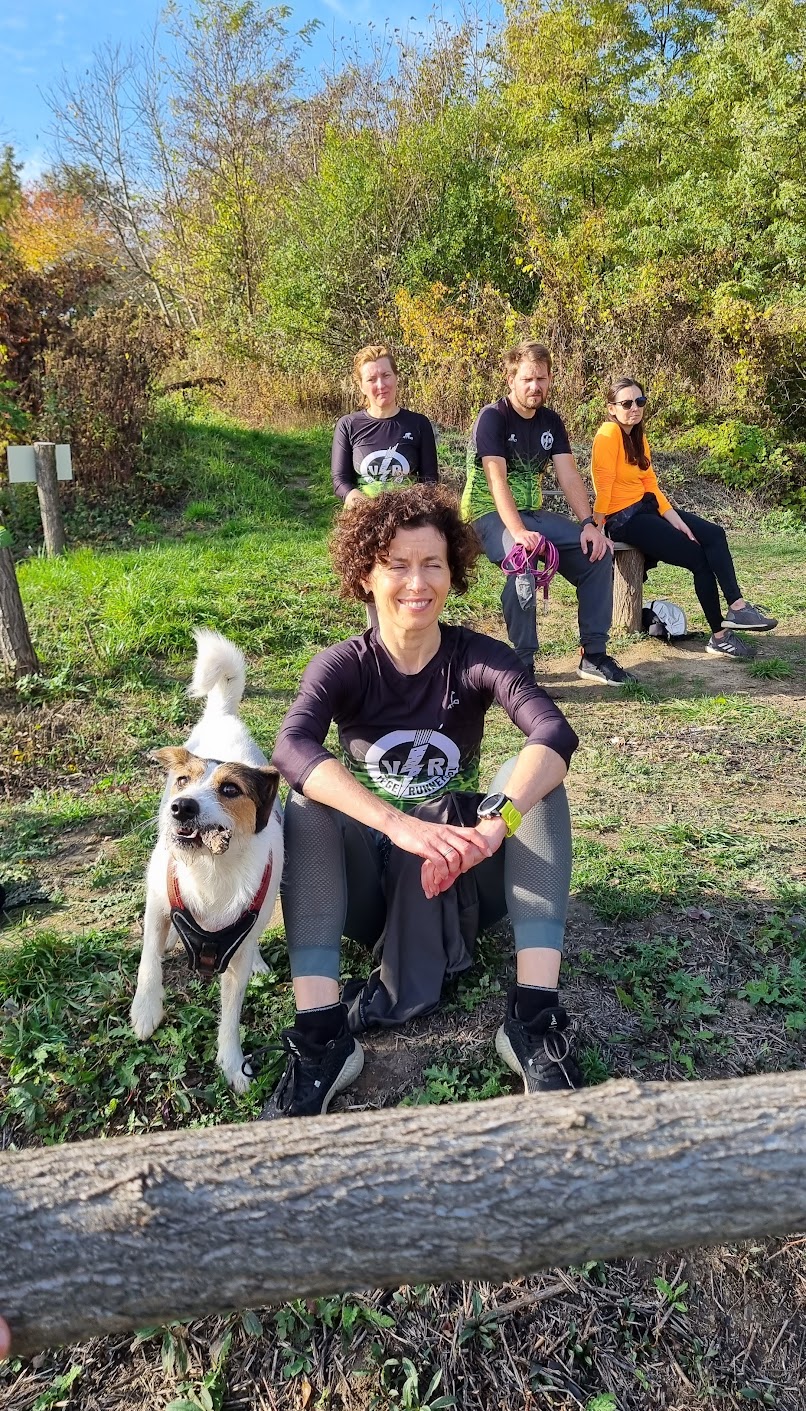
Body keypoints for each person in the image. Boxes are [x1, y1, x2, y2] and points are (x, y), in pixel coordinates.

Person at [262, 484, 582, 1119]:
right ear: (366, 575)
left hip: (466, 873)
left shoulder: (479, 657)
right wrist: (398, 825)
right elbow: (291, 747)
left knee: (534, 778)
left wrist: (496, 825)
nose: (417, 582)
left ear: (453, 570)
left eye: (432, 563)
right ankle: (322, 1038)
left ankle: (534, 1018)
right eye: (397, 564)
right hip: (368, 893)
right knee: (308, 801)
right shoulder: (342, 664)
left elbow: (552, 731)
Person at [464, 340, 635, 685]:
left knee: (596, 553)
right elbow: (496, 481)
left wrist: (589, 524)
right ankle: (523, 665)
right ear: (511, 379)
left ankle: (593, 654)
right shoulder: (493, 417)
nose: (534, 386)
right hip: (487, 514)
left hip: (533, 514)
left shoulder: (551, 421)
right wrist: (517, 533)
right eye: (527, 379)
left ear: (550, 379)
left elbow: (568, 475)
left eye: (541, 379)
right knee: (522, 564)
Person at [591, 379, 777, 659]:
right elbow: (603, 487)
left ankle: (737, 607)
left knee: (714, 534)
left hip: (646, 508)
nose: (634, 408)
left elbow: (650, 483)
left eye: (640, 402)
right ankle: (719, 637)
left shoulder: (637, 437)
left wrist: (673, 517)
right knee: (699, 559)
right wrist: (597, 527)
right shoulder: (608, 434)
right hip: (624, 520)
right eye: (626, 403)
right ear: (611, 408)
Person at [331, 344, 439, 507]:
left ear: (396, 377)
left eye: (386, 375)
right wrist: (369, 508)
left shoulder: (419, 424)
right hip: (363, 514)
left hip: (408, 515)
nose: (381, 385)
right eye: (371, 379)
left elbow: (430, 481)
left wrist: (409, 510)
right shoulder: (348, 425)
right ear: (361, 386)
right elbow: (340, 481)